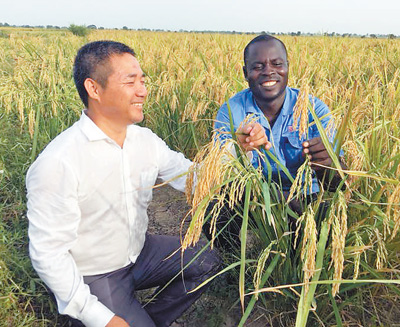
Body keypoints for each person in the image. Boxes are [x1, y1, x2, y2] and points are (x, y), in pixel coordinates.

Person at [26, 41, 219, 327]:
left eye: (142, 81)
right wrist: (99, 318)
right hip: (95, 275)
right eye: (130, 82)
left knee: (207, 262)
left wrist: (237, 150)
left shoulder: (145, 141)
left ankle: (144, 319)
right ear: (94, 89)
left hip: (138, 254)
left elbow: (194, 177)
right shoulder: (59, 161)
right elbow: (48, 254)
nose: (143, 90)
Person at [203, 34, 345, 248]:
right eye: (258, 66)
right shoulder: (233, 111)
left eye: (277, 64)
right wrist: (239, 147)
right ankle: (232, 269)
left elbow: (339, 185)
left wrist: (328, 165)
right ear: (245, 73)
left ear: (287, 67)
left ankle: (302, 268)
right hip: (255, 198)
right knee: (215, 209)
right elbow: (217, 176)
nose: (269, 71)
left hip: (306, 198)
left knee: (330, 215)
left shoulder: (313, 109)